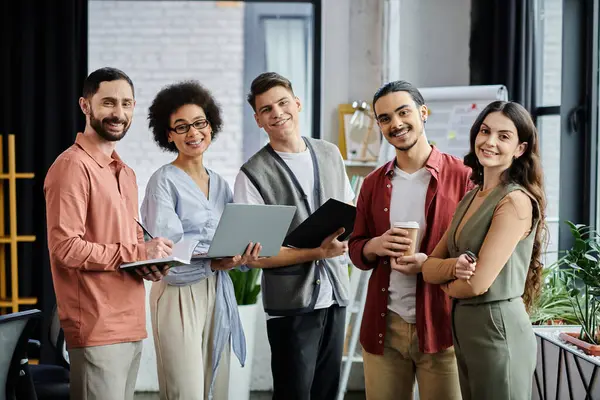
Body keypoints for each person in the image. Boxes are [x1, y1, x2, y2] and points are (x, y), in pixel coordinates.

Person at [44, 67, 174, 400]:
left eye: (127, 104)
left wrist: (150, 261)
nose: (119, 113)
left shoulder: (126, 172)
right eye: (109, 103)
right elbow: (66, 248)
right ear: (85, 106)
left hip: (130, 321)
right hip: (96, 326)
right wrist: (137, 254)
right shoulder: (72, 167)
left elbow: (124, 245)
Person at [233, 72, 355, 400]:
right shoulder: (252, 174)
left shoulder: (330, 153)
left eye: (283, 102)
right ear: (258, 119)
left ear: (297, 103)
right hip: (291, 305)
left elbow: (350, 213)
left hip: (335, 296)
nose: (277, 112)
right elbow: (256, 255)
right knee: (294, 393)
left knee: (326, 392)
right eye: (267, 109)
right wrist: (317, 252)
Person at [348, 80, 472, 400]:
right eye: (385, 118)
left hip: (443, 327)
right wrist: (374, 246)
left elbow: (477, 251)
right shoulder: (374, 183)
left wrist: (429, 266)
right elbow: (356, 247)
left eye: (403, 113)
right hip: (384, 327)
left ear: (423, 112)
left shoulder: (463, 177)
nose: (396, 124)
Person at [141, 80, 261, 400]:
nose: (193, 133)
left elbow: (233, 234)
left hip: (217, 288)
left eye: (199, 123)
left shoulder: (220, 183)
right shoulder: (163, 182)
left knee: (214, 384)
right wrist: (215, 261)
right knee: (186, 390)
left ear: (211, 125)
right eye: (181, 127)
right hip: (178, 292)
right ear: (168, 135)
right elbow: (166, 253)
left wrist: (242, 255)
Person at [421, 100, 547, 400]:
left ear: (520, 149)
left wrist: (446, 285)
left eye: (504, 136)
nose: (490, 141)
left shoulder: (515, 201)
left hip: (498, 331)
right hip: (468, 331)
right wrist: (452, 270)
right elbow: (428, 266)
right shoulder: (471, 196)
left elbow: (477, 283)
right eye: (485, 131)